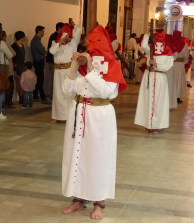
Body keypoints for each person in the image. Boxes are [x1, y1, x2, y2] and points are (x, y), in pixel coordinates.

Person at [61, 25, 126, 220]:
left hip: (99, 117)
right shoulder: (81, 65)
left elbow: (105, 91)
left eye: (97, 41)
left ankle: (99, 202)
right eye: (90, 41)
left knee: (98, 158)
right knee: (77, 157)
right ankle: (78, 199)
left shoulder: (112, 65)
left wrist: (90, 68)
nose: (92, 45)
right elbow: (67, 91)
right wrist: (74, 65)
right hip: (78, 113)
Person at [134, 28, 174, 134]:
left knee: (158, 102)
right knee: (147, 100)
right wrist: (147, 34)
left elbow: (168, 66)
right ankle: (148, 124)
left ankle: (156, 125)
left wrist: (156, 64)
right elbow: (143, 46)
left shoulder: (169, 51)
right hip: (149, 75)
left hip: (160, 78)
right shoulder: (151, 49)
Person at [49, 22, 81, 122]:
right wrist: (61, 41)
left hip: (68, 71)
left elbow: (79, 30)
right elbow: (52, 51)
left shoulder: (73, 42)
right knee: (58, 94)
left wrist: (74, 25)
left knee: (69, 93)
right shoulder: (55, 43)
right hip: (58, 72)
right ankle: (58, 117)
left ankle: (69, 117)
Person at [44, 22, 63, 99]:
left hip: (53, 61)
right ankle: (53, 94)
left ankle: (54, 94)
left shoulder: (55, 36)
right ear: (59, 28)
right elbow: (54, 50)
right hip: (52, 61)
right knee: (54, 79)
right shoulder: (55, 36)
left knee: (54, 79)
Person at [171, 31, 189, 104]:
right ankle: (177, 97)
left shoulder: (170, 44)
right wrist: (184, 62)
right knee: (179, 80)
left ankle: (170, 95)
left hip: (171, 64)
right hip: (180, 65)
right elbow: (186, 55)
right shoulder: (184, 45)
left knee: (172, 79)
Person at [30, 25, 47, 102]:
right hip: (38, 61)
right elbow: (43, 51)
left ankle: (36, 95)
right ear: (39, 32)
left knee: (38, 79)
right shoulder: (36, 40)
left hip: (38, 61)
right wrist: (44, 50)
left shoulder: (37, 40)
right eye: (43, 31)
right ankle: (42, 96)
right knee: (40, 79)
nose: (44, 33)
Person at [11, 31, 26, 104]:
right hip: (17, 66)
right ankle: (21, 96)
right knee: (18, 82)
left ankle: (22, 96)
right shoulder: (14, 45)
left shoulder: (22, 45)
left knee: (22, 82)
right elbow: (12, 57)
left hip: (22, 65)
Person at [165, 34, 178, 109]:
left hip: (162, 69)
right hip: (170, 68)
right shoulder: (173, 47)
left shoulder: (162, 48)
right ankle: (170, 103)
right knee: (170, 86)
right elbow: (175, 57)